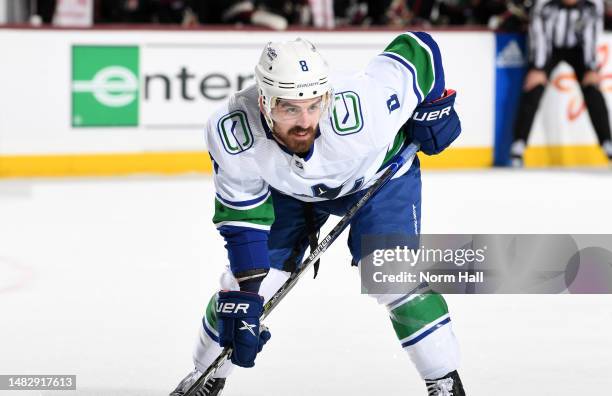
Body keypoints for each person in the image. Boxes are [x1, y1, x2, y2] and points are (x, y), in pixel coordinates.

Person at [170, 33, 465, 396]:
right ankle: (204, 374)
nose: (305, 121)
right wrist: (248, 294)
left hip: (379, 179)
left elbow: (418, 48)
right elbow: (243, 218)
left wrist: (433, 107)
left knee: (393, 276)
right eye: (289, 109)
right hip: (290, 191)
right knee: (243, 292)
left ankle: (444, 380)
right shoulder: (234, 130)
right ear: (263, 101)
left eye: (314, 105)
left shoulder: (365, 106)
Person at [511, 0, 612, 167]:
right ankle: (519, 144)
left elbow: (591, 34)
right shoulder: (543, 3)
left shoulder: (593, 4)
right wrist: (538, 67)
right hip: (550, 49)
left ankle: (607, 143)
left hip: (578, 50)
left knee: (593, 89)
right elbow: (539, 34)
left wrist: (591, 68)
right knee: (534, 86)